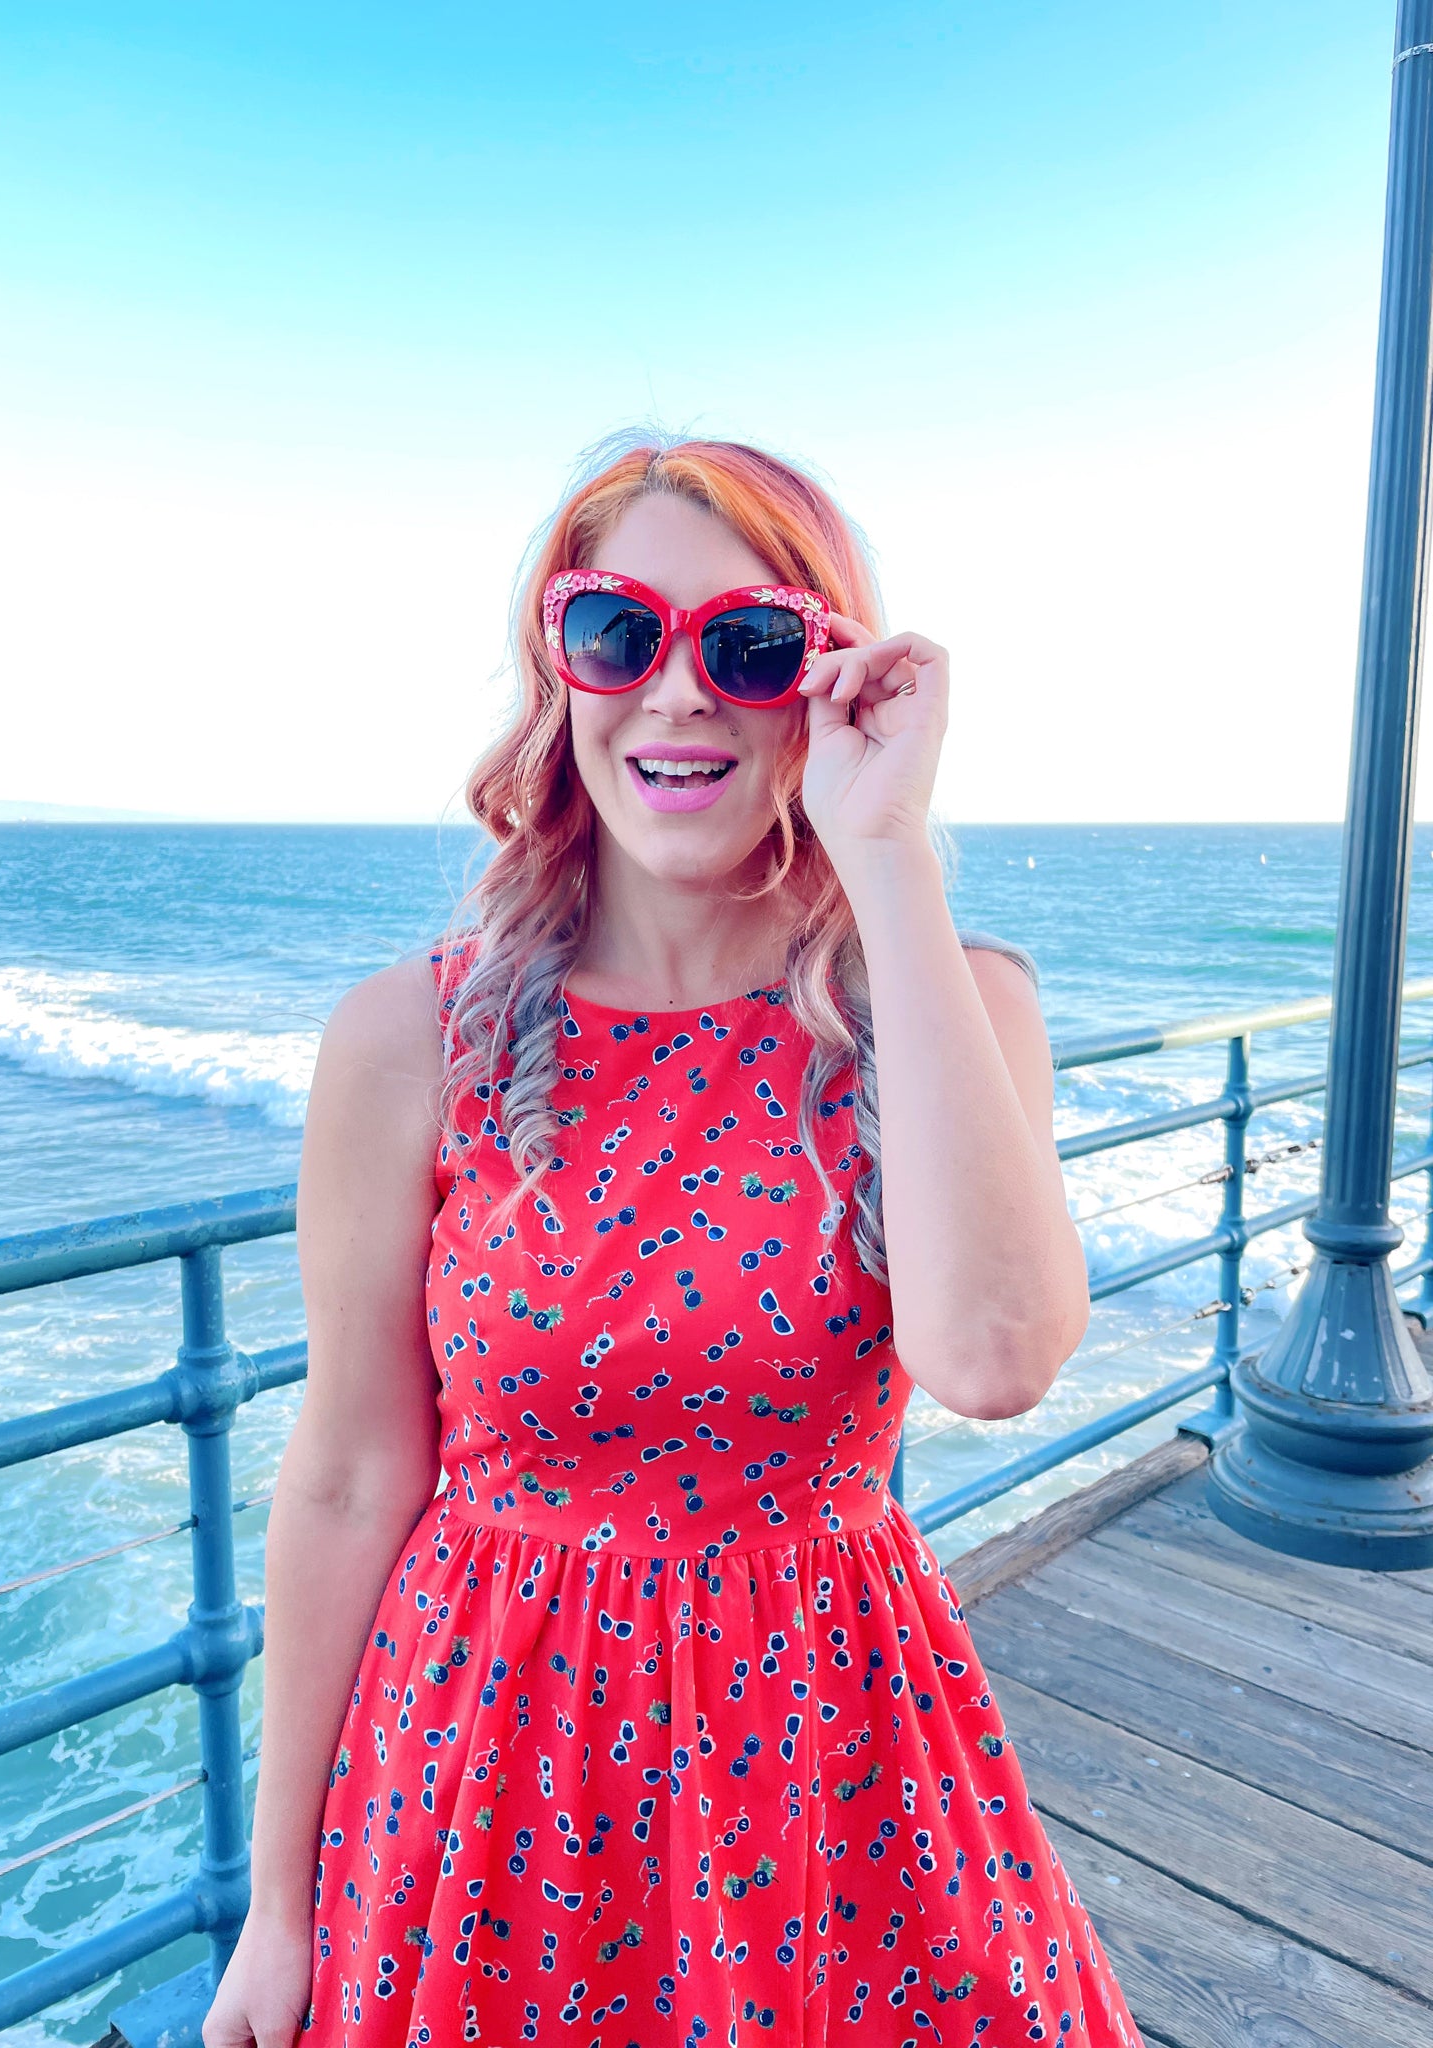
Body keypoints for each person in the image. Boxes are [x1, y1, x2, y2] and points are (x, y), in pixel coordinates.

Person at [203, 433, 1143, 2047]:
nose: (681, 693)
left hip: (827, 1773)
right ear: (559, 668)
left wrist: (887, 854)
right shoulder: (407, 1043)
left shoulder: (945, 1003)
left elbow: (993, 1358)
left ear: (828, 680)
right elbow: (353, 1476)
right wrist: (276, 1914)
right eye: (621, 633)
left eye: (754, 643)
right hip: (487, 1780)